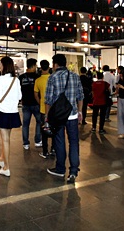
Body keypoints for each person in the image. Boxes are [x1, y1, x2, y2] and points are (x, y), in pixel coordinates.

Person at [45, 54, 83, 183]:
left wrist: (47, 117)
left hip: (58, 116)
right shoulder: (75, 76)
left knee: (59, 141)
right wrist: (80, 112)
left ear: (55, 64)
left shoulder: (52, 77)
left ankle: (60, 169)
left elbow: (48, 100)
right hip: (72, 114)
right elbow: (80, 96)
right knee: (74, 142)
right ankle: (73, 171)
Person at [0, 56, 22, 177]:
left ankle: (6, 168)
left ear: (4, 66)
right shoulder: (16, 80)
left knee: (5, 140)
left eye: (0, 64)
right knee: (7, 138)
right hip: (13, 112)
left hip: (3, 111)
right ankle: (1, 159)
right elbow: (20, 96)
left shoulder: (1, 79)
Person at [19, 58, 41, 150]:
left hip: (25, 104)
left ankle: (26, 143)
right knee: (39, 122)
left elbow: (19, 90)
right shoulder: (38, 77)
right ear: (33, 66)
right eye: (35, 65)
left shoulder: (21, 77)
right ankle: (37, 141)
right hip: (36, 103)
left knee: (25, 124)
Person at [34, 60, 54, 159]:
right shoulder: (53, 78)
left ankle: (45, 151)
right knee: (54, 129)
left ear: (41, 68)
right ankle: (53, 149)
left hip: (43, 109)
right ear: (49, 67)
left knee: (44, 130)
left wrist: (40, 102)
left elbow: (35, 94)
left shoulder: (38, 80)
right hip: (54, 109)